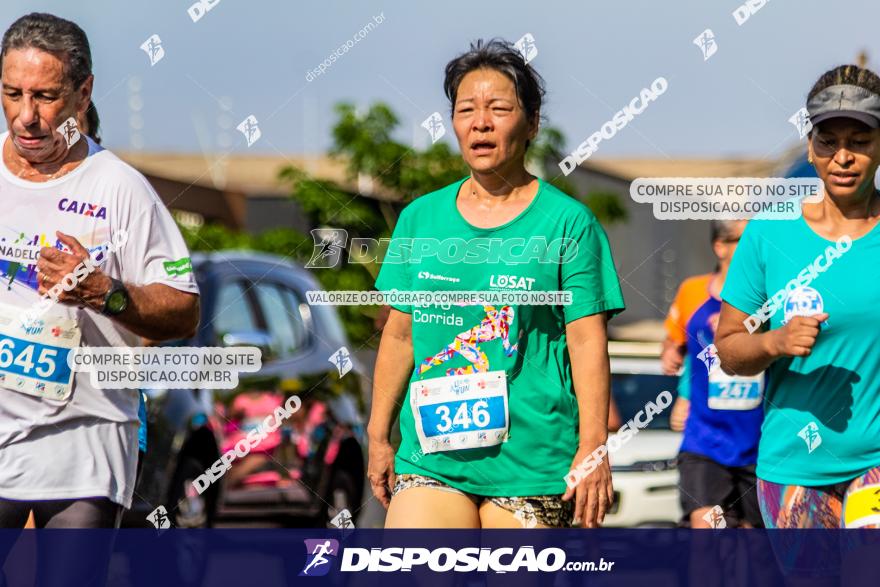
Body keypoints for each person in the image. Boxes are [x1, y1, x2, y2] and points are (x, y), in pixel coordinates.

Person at [368, 39, 625, 529]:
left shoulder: (569, 223)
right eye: (466, 110)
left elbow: (587, 340)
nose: (480, 122)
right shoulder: (420, 219)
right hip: (432, 456)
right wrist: (379, 435)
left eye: (498, 109)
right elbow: (400, 334)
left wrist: (593, 448)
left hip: (533, 461)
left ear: (531, 124)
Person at [0, 13, 200, 530]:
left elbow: (184, 311)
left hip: (85, 439)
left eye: (44, 96)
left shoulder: (120, 188)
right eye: (11, 93)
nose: (25, 116)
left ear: (83, 93)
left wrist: (102, 292)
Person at [716, 64, 880, 529]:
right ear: (810, 148)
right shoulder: (769, 234)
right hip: (795, 466)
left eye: (860, 141)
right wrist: (775, 342)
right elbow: (728, 349)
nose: (843, 156)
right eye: (829, 141)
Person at [663, 220, 765, 528]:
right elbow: (674, 342)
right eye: (743, 241)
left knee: (753, 546)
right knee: (707, 527)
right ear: (720, 246)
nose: (754, 249)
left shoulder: (771, 292)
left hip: (759, 442)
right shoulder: (692, 291)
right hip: (705, 440)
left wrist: (741, 330)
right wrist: (671, 355)